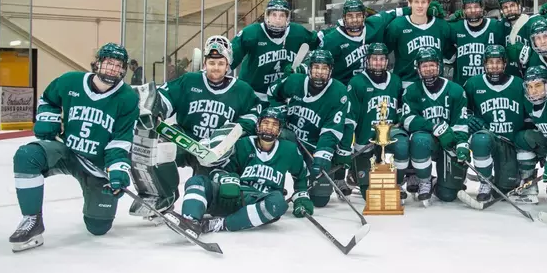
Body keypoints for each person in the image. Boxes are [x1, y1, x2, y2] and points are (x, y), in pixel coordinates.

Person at [9, 43, 139, 251]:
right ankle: (32, 221)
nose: (113, 69)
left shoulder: (128, 98)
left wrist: (117, 170)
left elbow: (121, 139)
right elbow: (48, 99)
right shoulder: (70, 81)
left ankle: (97, 210)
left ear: (123, 69)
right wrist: (48, 119)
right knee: (27, 155)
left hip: (95, 164)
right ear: (97, 63)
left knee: (98, 227)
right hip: (66, 151)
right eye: (108, 63)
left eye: (118, 65)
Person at [129, 36, 260, 220]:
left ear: (228, 64)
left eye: (220, 63)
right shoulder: (189, 81)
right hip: (187, 141)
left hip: (216, 152)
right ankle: (164, 196)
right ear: (204, 63)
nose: (215, 67)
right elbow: (165, 95)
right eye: (211, 62)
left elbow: (253, 116)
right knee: (157, 148)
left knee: (211, 198)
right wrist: (157, 110)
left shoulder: (242, 90)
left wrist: (230, 136)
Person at [167, 106, 311, 235]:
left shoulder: (289, 150)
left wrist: (302, 197)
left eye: (274, 125)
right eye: (265, 123)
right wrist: (227, 179)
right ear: (258, 125)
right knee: (197, 181)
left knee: (278, 203)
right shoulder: (243, 144)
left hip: (260, 200)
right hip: (235, 195)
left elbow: (301, 176)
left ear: (280, 130)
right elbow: (219, 170)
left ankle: (218, 225)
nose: (269, 128)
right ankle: (189, 221)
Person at [266, 49, 349, 207]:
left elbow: (332, 129)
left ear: (331, 70)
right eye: (316, 67)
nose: (319, 72)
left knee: (320, 200)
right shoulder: (295, 81)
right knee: (276, 142)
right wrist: (279, 111)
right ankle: (273, 185)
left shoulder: (339, 92)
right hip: (289, 137)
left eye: (324, 68)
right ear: (309, 68)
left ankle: (306, 186)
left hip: (313, 145)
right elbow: (273, 93)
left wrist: (322, 155)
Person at [340, 43, 410, 200]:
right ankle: (354, 171)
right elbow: (350, 119)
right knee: (370, 195)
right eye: (374, 59)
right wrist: (345, 147)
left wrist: (400, 119)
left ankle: (397, 182)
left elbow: (402, 109)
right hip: (365, 143)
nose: (378, 63)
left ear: (387, 61)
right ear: (367, 60)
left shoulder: (396, 81)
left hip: (389, 139)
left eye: (381, 59)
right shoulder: (357, 83)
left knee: (402, 144)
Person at [400, 47, 470, 204]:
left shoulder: (456, 90)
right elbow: (407, 119)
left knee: (448, 196)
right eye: (424, 66)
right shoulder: (411, 91)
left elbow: (460, 122)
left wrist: (460, 143)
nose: (429, 69)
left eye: (432, 65)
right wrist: (433, 126)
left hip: (448, 141)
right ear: (418, 69)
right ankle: (424, 180)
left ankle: (441, 183)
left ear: (439, 66)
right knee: (419, 140)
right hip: (427, 141)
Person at [463, 45, 528, 202]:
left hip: (509, 143)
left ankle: (509, 175)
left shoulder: (519, 84)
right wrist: (469, 118)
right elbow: (462, 110)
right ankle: (485, 181)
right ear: (484, 64)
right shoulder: (473, 84)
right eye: (490, 62)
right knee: (480, 140)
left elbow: (528, 115)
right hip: (488, 137)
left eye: (498, 62)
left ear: (505, 63)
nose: (494, 66)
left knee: (504, 191)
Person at [230, 0, 319, 101]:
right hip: (253, 94)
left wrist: (304, 66)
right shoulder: (252, 33)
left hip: (281, 95)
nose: (278, 19)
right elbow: (230, 57)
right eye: (274, 15)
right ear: (267, 16)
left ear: (287, 17)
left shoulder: (297, 32)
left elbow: (321, 46)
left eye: (282, 15)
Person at [316, 0, 411, 84]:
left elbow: (396, 12)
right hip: (345, 90)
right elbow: (314, 63)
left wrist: (419, 10)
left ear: (364, 17)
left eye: (358, 15)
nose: (354, 20)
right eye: (350, 16)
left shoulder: (375, 24)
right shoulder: (332, 39)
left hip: (371, 87)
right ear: (344, 18)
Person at [383, 0, 453, 88]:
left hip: (435, 84)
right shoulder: (397, 26)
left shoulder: (441, 26)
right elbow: (385, 52)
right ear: (409, 3)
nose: (420, 6)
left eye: (423, 2)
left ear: (428, 3)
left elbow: (450, 56)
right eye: (416, 2)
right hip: (406, 84)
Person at [512, 66, 547, 204]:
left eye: (538, 85)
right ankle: (528, 184)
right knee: (523, 138)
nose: (534, 91)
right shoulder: (529, 103)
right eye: (530, 87)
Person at [447, 0, 507, 86]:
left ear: (482, 8)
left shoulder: (496, 26)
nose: (473, 10)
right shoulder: (455, 27)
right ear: (463, 10)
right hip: (463, 85)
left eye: (476, 7)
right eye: (469, 7)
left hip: (489, 85)